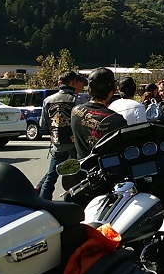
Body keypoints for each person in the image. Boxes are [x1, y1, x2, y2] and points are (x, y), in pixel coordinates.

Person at [37, 70, 86, 199]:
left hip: (56, 145)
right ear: (73, 82)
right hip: (73, 146)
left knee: (50, 178)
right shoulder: (77, 100)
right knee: (73, 177)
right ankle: (68, 203)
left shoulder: (48, 100)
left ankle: (43, 203)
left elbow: (43, 125)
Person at [71, 67, 128, 159]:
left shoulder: (75, 110)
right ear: (112, 89)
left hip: (82, 165)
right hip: (106, 166)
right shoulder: (117, 120)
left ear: (89, 89)